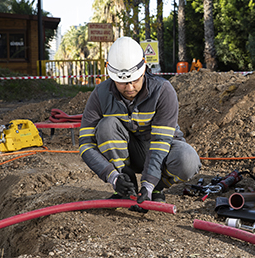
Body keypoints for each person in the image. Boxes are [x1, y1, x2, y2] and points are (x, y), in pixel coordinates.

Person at [77, 37, 201, 204]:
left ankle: (157, 187)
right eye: (122, 82)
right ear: (111, 73)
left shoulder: (163, 91)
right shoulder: (100, 94)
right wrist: (113, 177)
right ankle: (126, 186)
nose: (129, 88)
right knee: (106, 126)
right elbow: (85, 144)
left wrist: (149, 185)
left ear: (144, 68)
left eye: (134, 80)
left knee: (188, 160)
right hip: (129, 153)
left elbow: (160, 142)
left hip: (161, 152)